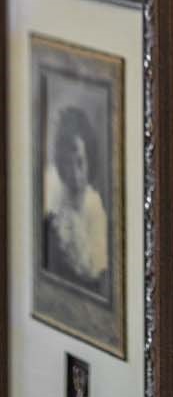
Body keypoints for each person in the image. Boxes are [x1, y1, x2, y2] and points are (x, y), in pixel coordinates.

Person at [43, 105, 108, 290]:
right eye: (66, 164)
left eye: (80, 162)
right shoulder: (54, 195)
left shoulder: (94, 208)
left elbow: (93, 271)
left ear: (90, 157)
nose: (74, 174)